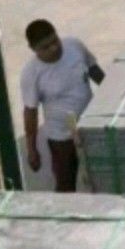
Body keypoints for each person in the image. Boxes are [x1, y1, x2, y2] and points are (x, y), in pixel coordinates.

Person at [21, 19, 104, 192]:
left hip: (90, 125)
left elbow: (94, 70)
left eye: (55, 41)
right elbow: (30, 112)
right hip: (61, 136)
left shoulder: (75, 46)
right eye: (45, 47)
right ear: (33, 49)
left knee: (100, 175)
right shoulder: (31, 73)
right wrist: (32, 149)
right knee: (65, 182)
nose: (54, 48)